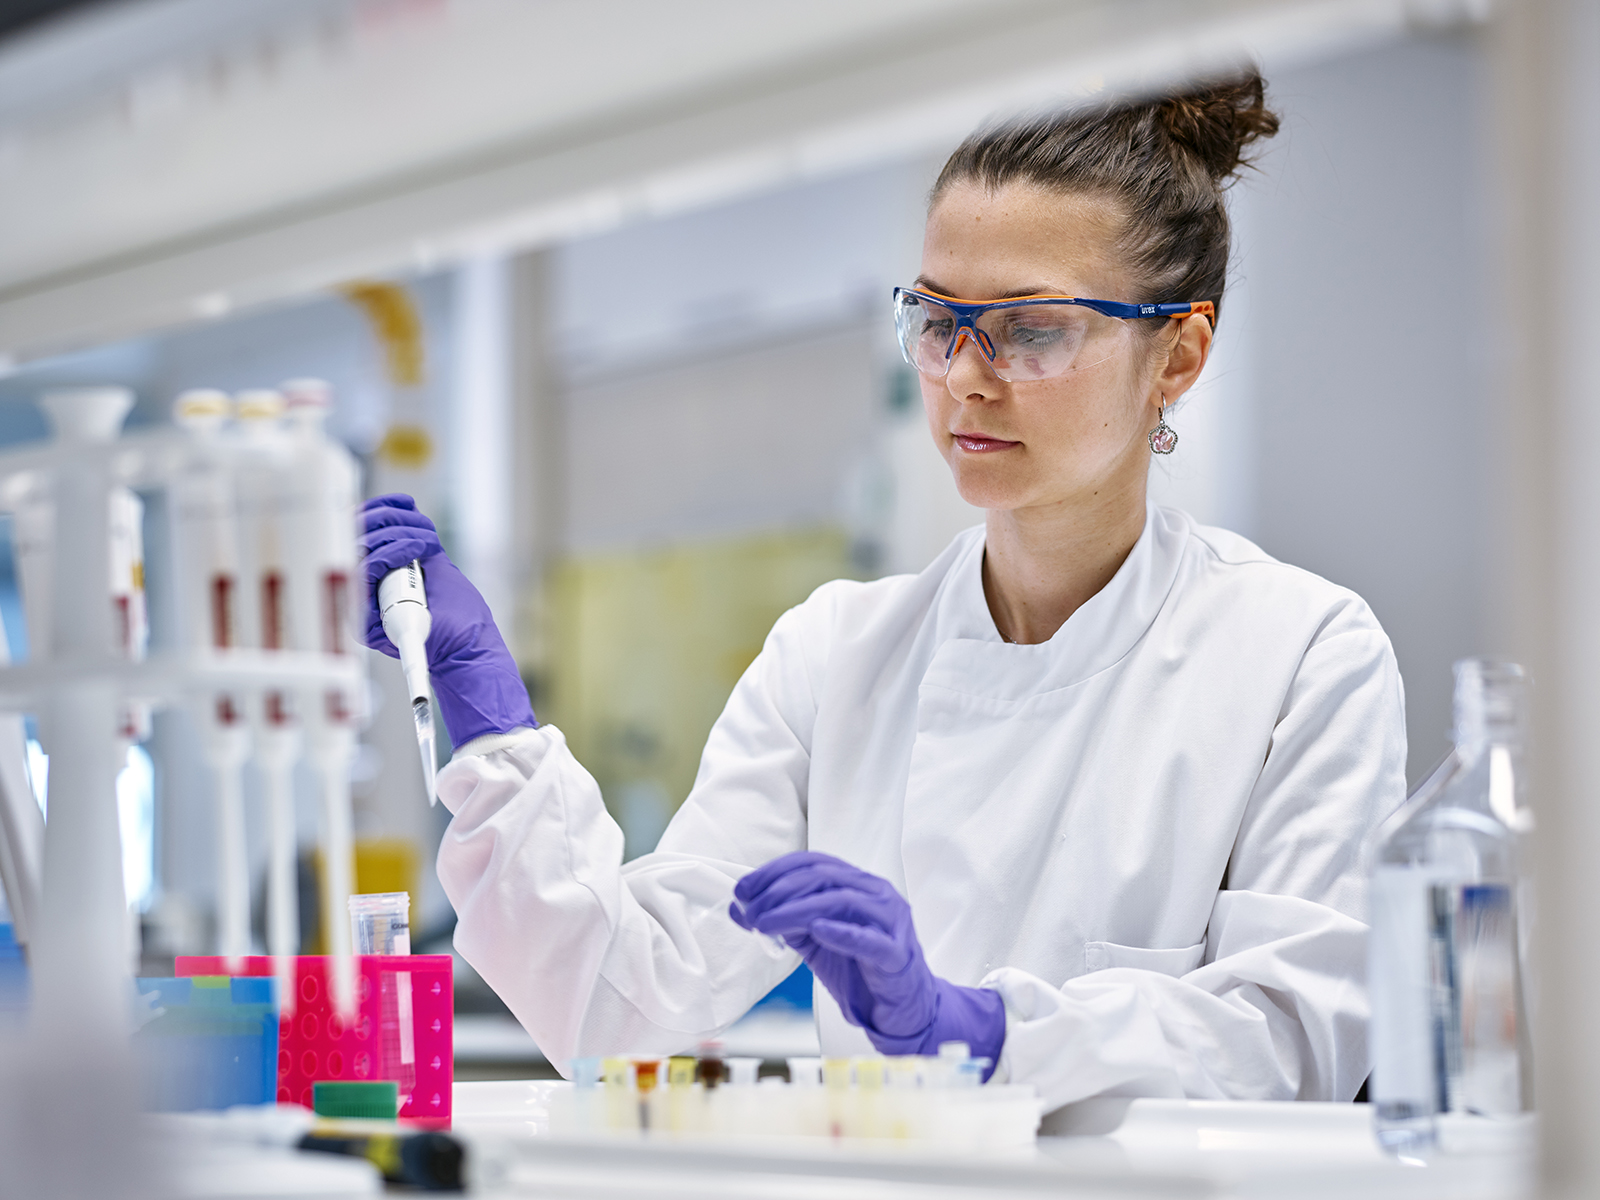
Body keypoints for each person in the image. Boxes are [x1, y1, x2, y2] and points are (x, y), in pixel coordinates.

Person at [360, 71, 1406, 1113]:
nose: (963, 374)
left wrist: (979, 1033)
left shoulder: (1298, 651)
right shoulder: (836, 654)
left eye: (1031, 329)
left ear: (1177, 353)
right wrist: (485, 712)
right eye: (939, 318)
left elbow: (1292, 1039)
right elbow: (621, 1006)